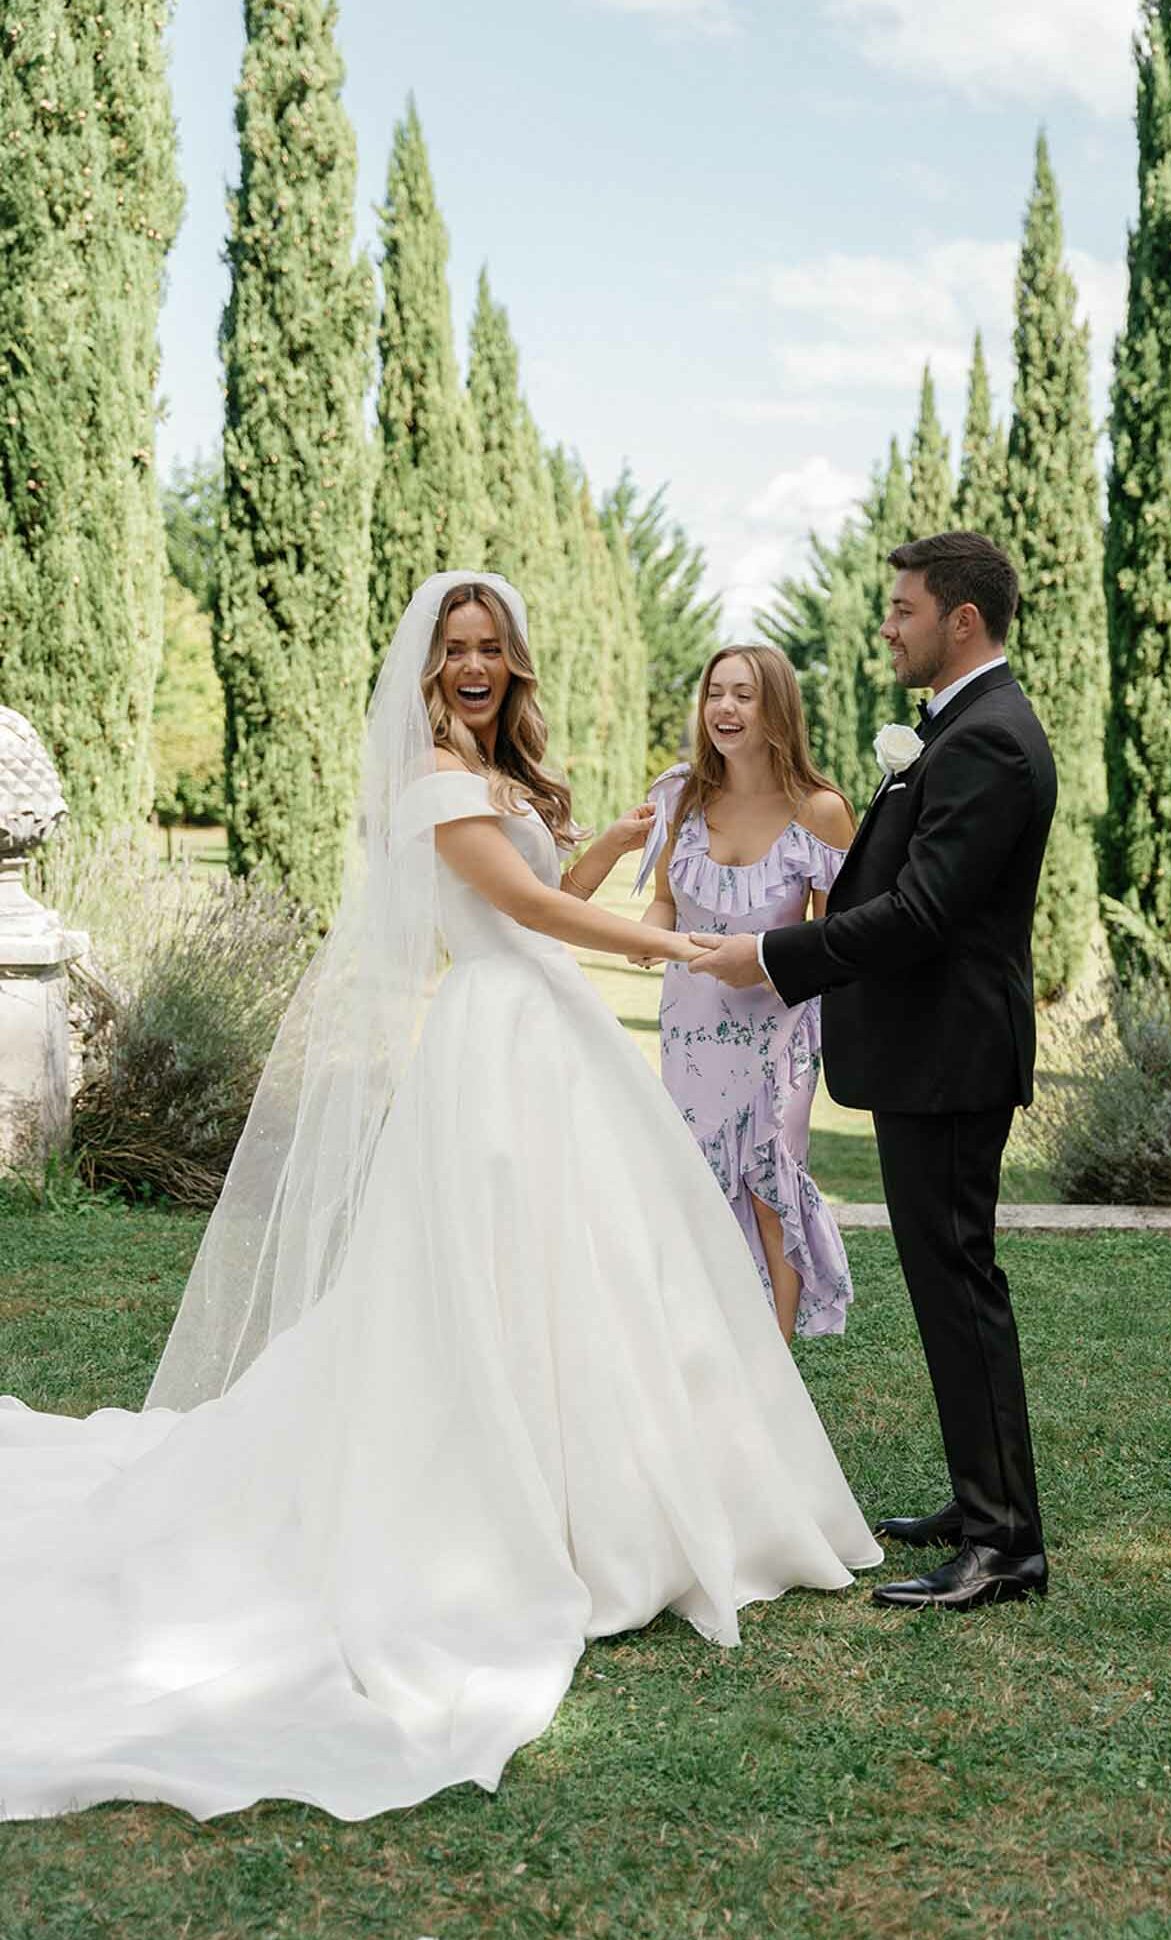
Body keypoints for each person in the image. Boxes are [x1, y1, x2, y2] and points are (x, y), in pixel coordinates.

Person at [0, 572, 880, 1824]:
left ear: (512, 663)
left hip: (555, 1032)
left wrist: (622, 856)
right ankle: (509, 1502)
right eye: (455, 649)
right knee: (490, 1270)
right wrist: (680, 946)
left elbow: (550, 885)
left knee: (606, 1265)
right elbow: (522, 906)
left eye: (490, 648)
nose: (473, 665)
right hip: (494, 1042)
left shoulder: (505, 776)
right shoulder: (431, 781)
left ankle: (633, 1492)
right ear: (428, 670)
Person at [691, 533, 1057, 1613]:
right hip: (927, 1054)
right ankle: (975, 1501)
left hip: (951, 1055)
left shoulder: (988, 739)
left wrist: (769, 953)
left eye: (902, 609)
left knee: (959, 1283)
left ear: (961, 620)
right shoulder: (958, 729)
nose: (887, 626)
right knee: (946, 1282)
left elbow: (925, 913)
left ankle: (1004, 1545)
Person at [631, 645, 857, 1342]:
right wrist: (648, 934)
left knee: (769, 1185)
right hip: (692, 1027)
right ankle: (706, 1348)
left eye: (744, 695)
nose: (724, 709)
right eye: (715, 694)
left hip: (780, 1033)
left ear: (776, 709)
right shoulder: (682, 796)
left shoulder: (820, 812)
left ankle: (775, 1367)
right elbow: (666, 903)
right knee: (699, 1187)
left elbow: (842, 940)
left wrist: (766, 965)